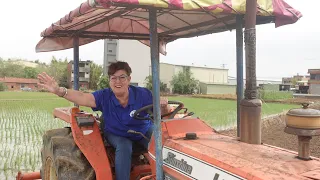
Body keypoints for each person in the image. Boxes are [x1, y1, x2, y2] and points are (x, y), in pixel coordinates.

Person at [37, 61, 169, 180]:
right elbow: (83, 97)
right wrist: (59, 91)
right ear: (109, 80)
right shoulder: (104, 96)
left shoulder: (143, 94)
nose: (118, 81)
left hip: (142, 130)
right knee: (124, 146)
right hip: (117, 134)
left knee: (163, 142)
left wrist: (163, 107)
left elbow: (160, 113)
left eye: (122, 77)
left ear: (129, 79)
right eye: (114, 78)